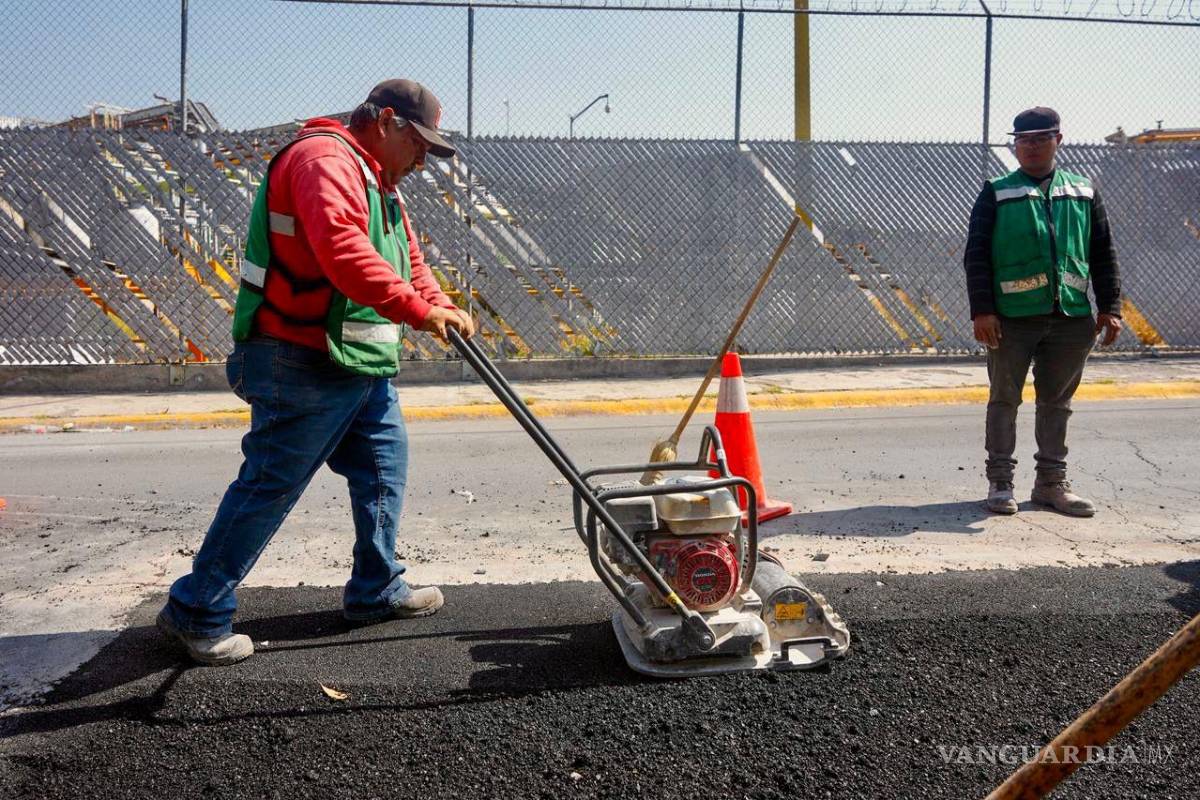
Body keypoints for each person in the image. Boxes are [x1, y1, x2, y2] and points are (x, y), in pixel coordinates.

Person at [157, 79, 474, 665]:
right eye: (421, 142)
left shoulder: (378, 180)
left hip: (358, 362)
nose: (425, 157)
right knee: (271, 484)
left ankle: (376, 589)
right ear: (386, 122)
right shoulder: (321, 160)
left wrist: (439, 303)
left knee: (384, 470)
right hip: (296, 355)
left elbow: (408, 258)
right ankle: (196, 610)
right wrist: (418, 312)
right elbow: (342, 249)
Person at [963, 107, 1122, 518]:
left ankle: (1051, 484)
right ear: (1014, 146)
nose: (1031, 146)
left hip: (1071, 317)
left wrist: (1110, 307)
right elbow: (976, 255)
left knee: (1057, 402)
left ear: (1058, 140)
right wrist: (983, 311)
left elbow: (1103, 253)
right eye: (1023, 140)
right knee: (1004, 399)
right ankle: (1000, 483)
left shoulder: (1083, 191)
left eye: (1040, 138)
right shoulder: (997, 190)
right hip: (1011, 317)